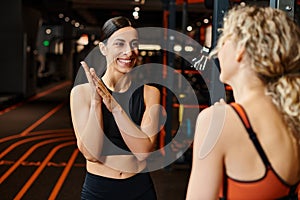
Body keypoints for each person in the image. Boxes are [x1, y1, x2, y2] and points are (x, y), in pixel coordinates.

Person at [186, 5, 300, 200]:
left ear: (241, 50)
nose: (217, 51)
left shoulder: (218, 122)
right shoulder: (292, 117)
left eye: (224, 41)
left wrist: (221, 120)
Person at [70, 16, 161, 199]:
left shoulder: (150, 93)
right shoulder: (82, 93)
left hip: (139, 188)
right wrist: (97, 102)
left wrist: (115, 107)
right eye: (119, 44)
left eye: (134, 44)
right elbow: (92, 154)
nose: (128, 52)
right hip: (98, 190)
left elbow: (143, 152)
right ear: (103, 48)